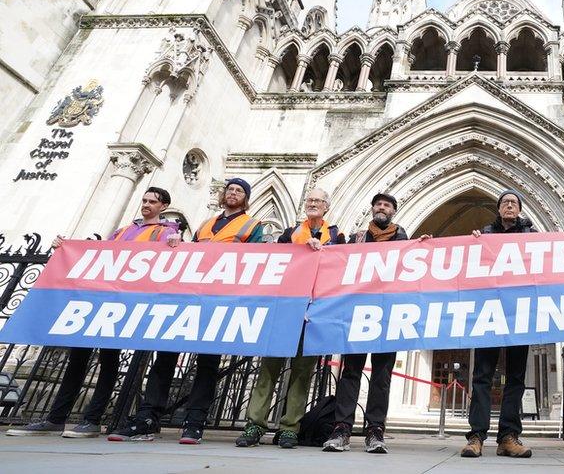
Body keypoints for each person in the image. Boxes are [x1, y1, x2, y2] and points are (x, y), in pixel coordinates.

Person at [7, 188, 180, 438]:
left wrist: (176, 243)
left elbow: (173, 257)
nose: (146, 204)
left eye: (152, 201)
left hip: (126, 303)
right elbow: (99, 253)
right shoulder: (123, 231)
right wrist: (67, 247)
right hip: (99, 300)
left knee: (108, 361)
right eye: (144, 200)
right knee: (77, 359)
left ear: (163, 206)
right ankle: (56, 418)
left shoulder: (166, 232)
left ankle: (92, 419)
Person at [108, 178, 263, 444]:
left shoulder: (253, 225)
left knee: (208, 361)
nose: (233, 193)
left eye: (239, 191)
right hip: (190, 294)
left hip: (221, 297)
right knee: (165, 354)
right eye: (230, 189)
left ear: (245, 198)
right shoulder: (205, 224)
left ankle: (195, 422)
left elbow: (258, 259)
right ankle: (147, 418)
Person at [236, 188, 344, 450]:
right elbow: (277, 259)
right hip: (285, 309)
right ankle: (255, 424)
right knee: (268, 368)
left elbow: (339, 268)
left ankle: (289, 428)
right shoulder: (290, 232)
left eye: (318, 201)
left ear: (327, 207)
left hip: (314, 312)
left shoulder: (337, 236)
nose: (313, 204)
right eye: (309, 201)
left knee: (302, 373)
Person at [322, 192, 430, 453]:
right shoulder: (357, 238)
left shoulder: (404, 241)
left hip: (390, 315)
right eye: (378, 204)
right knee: (350, 372)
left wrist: (423, 247)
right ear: (372, 209)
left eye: (387, 205)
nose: (382, 208)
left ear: (393, 211)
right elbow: (337, 263)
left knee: (382, 376)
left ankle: (375, 430)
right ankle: (342, 429)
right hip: (359, 313)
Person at [460, 190, 535, 459]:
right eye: (504, 203)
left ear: (520, 209)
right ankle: (477, 436)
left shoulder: (532, 237)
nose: (509, 206)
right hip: (488, 314)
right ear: (499, 208)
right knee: (482, 375)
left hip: (520, 313)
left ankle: (508, 436)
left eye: (514, 203)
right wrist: (474, 244)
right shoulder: (486, 235)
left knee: (515, 377)